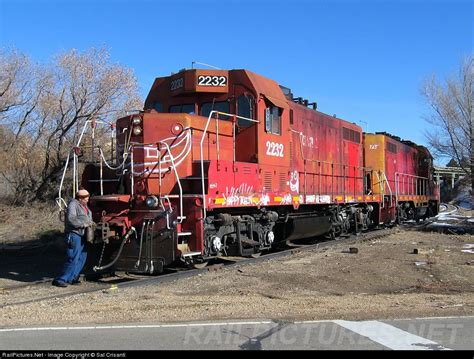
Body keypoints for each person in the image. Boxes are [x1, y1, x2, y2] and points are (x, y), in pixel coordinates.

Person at [52, 189, 94, 287]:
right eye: (86, 198)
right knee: (73, 257)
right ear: (80, 198)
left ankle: (73, 277)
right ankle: (61, 279)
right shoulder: (73, 205)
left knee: (82, 256)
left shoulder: (84, 205)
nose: (87, 200)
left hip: (83, 234)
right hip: (74, 234)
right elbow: (71, 220)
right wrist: (84, 224)